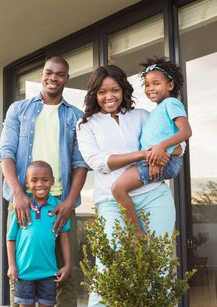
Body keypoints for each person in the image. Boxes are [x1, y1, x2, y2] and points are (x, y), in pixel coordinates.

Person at [75, 64, 177, 307]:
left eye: (115, 90)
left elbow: (170, 143)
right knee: (109, 264)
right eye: (102, 92)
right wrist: (143, 155)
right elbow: (99, 163)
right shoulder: (86, 125)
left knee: (158, 264)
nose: (109, 96)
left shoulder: (142, 115)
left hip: (154, 196)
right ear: (94, 94)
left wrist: (166, 151)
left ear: (123, 91)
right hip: (112, 203)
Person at [0, 56, 88, 307]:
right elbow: (5, 153)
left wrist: (70, 202)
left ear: (66, 79)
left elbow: (81, 163)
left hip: (61, 204)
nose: (53, 77)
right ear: (41, 75)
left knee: (65, 275)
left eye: (60, 74)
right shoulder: (19, 110)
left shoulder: (76, 116)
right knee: (20, 274)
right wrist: (18, 193)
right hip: (23, 202)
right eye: (49, 72)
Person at [111, 57, 192, 238]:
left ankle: (136, 233)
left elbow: (186, 132)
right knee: (120, 187)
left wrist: (161, 149)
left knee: (118, 188)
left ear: (170, 85)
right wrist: (156, 154)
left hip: (167, 161)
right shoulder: (156, 110)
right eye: (147, 85)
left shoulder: (172, 104)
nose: (151, 89)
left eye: (156, 83)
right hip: (156, 160)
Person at [7, 160, 72, 307]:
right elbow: (10, 238)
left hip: (49, 273)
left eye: (45, 179)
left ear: (53, 181)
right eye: (34, 180)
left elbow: (64, 237)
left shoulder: (59, 208)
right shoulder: (21, 207)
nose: (40, 184)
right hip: (24, 273)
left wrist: (68, 265)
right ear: (27, 183)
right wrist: (12, 265)